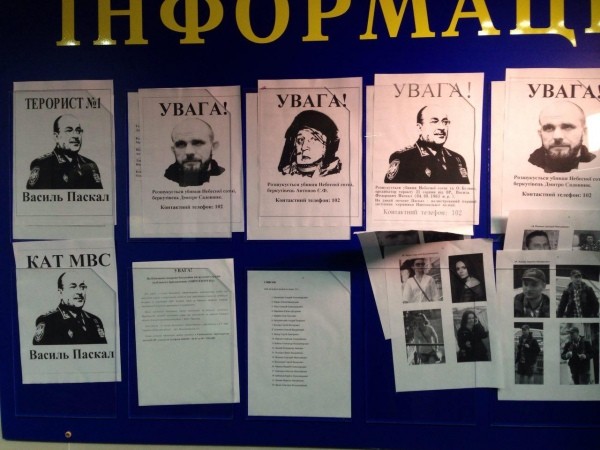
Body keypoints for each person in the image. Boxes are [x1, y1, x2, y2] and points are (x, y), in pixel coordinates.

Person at [384, 105, 469, 184]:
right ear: (420, 128)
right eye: (434, 122)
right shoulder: (404, 158)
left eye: (445, 122)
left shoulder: (457, 159)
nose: (442, 127)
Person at [26, 114, 103, 189]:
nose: (76, 136)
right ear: (56, 137)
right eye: (69, 131)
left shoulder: (90, 166)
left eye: (78, 131)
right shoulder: (43, 165)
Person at [33, 271, 107, 345]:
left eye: (82, 287)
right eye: (73, 287)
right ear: (60, 292)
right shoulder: (49, 321)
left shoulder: (94, 321)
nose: (80, 292)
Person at [529, 100, 596, 173]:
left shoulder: (596, 164)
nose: (557, 136)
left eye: (567, 127)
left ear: (584, 132)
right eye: (549, 128)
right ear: (540, 133)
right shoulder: (529, 165)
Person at [278, 110, 341, 177]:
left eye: (313, 139)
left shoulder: (334, 174)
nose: (304, 147)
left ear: (327, 146)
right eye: (300, 140)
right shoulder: (287, 173)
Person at [164, 118, 224, 186]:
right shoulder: (164, 180)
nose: (189, 152)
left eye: (197, 143)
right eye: (181, 144)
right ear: (173, 150)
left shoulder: (225, 176)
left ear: (213, 147)